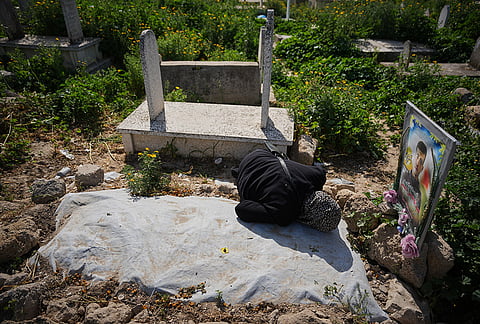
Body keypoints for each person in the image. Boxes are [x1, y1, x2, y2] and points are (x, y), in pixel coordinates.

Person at [231, 146, 341, 232]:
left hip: (261, 154)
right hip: (246, 171)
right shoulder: (283, 214)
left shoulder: (318, 175)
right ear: (311, 220)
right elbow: (241, 209)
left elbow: (320, 173)